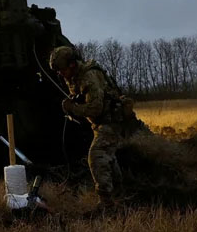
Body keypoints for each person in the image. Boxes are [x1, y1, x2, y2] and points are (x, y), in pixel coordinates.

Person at [49, 45, 137, 210]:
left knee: (97, 155)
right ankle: (120, 197)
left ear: (72, 65)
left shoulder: (88, 77)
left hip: (111, 122)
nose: (60, 74)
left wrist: (72, 108)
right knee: (109, 158)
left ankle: (107, 205)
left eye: (61, 69)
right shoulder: (76, 77)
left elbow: (95, 108)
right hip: (102, 123)